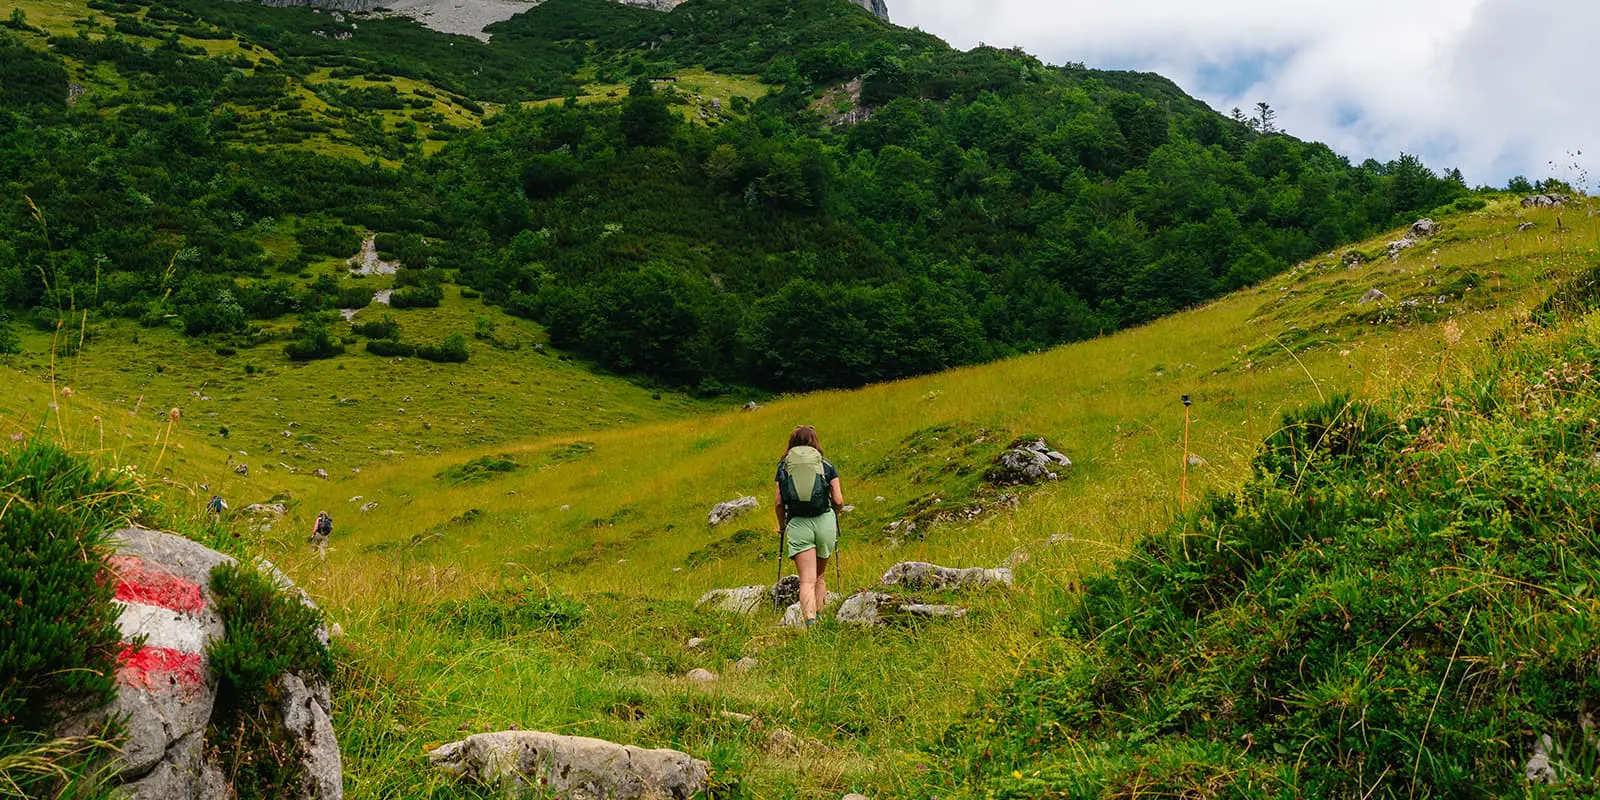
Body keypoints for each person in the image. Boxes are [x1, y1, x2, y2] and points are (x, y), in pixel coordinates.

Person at [774, 425, 843, 627]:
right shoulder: (826, 465)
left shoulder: (783, 467)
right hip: (824, 521)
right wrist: (834, 516)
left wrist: (782, 526)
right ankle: (821, 620)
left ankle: (810, 625)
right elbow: (838, 500)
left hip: (798, 523)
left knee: (806, 581)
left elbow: (779, 503)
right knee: (820, 578)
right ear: (815, 442)